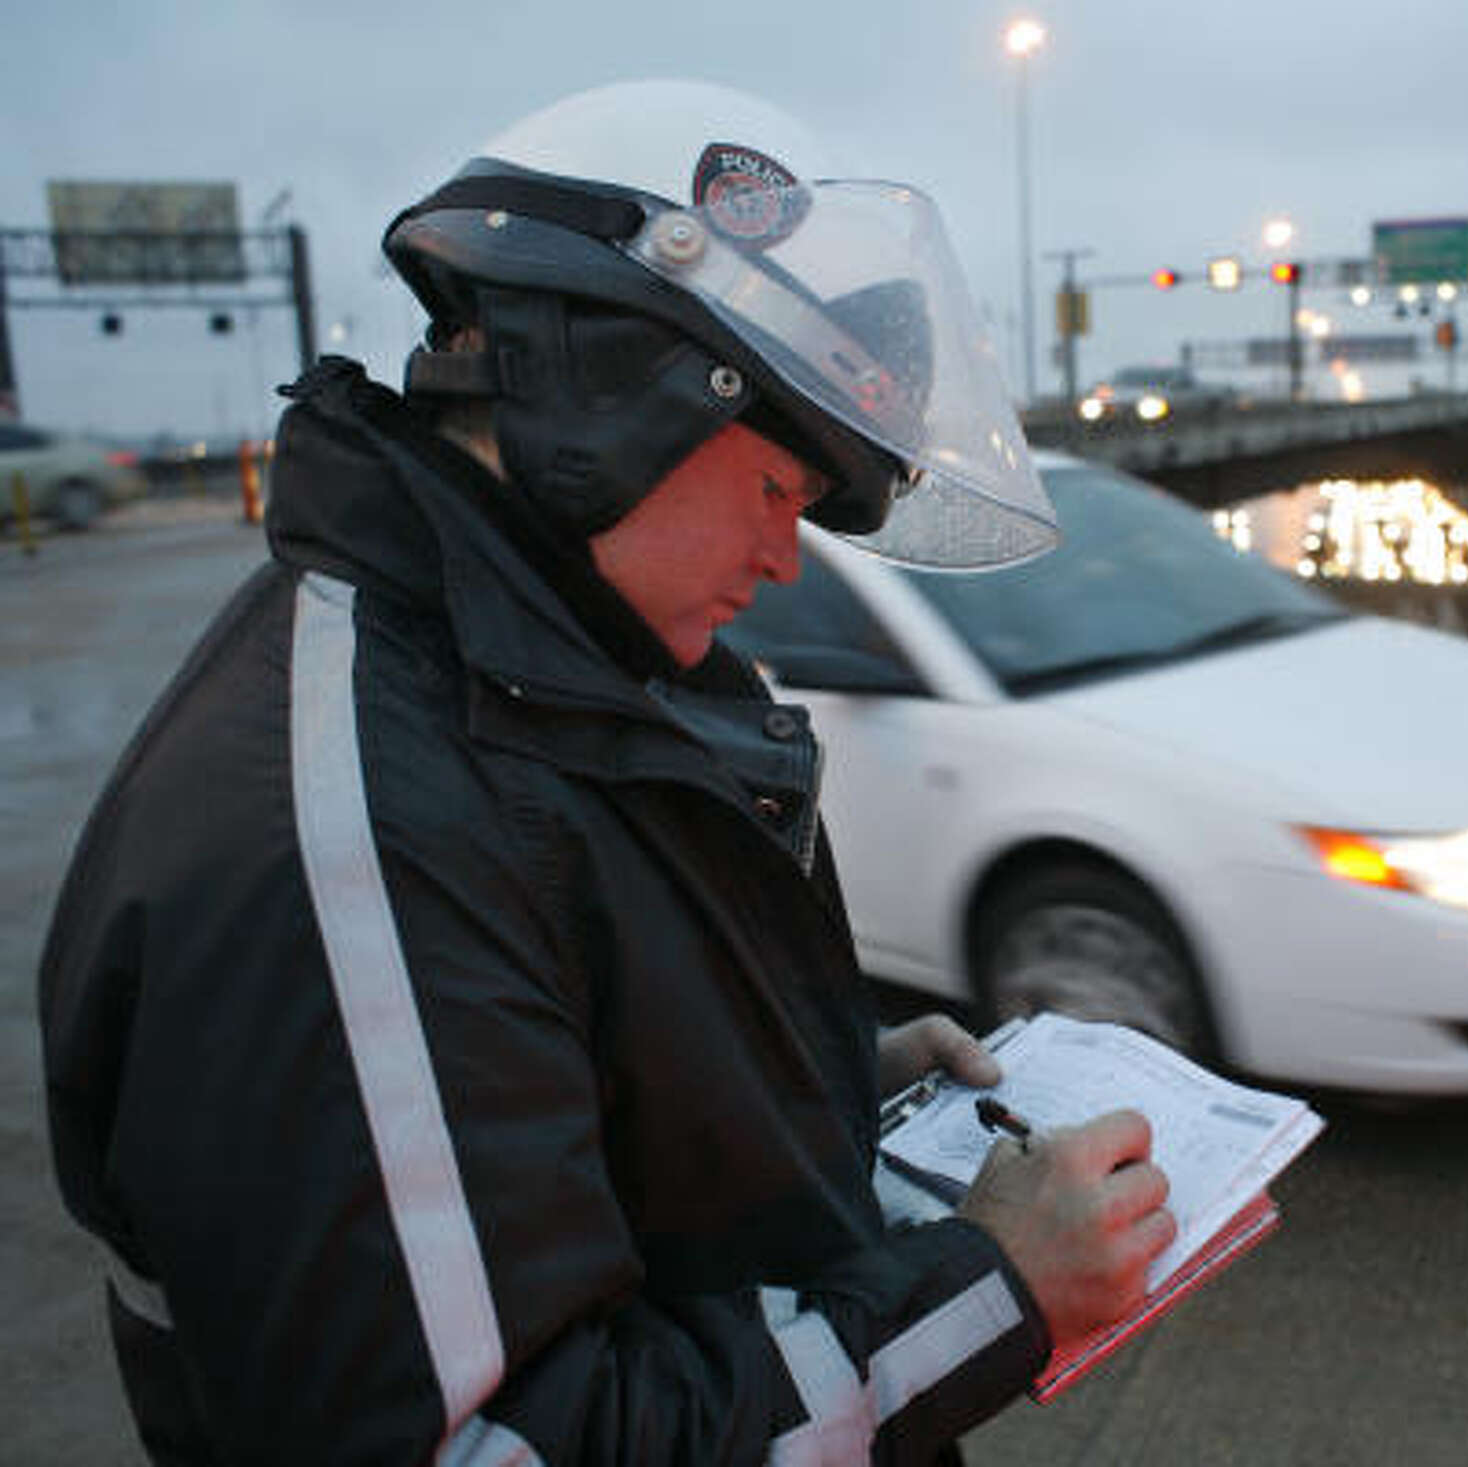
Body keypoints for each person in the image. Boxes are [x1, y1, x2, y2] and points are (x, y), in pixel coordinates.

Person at [39, 80, 1175, 1465]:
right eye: (778, 490)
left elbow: (547, 1092)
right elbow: (488, 1441)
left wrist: (811, 1092)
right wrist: (995, 1289)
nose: (784, 561)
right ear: (614, 402)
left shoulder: (559, 670)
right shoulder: (353, 833)